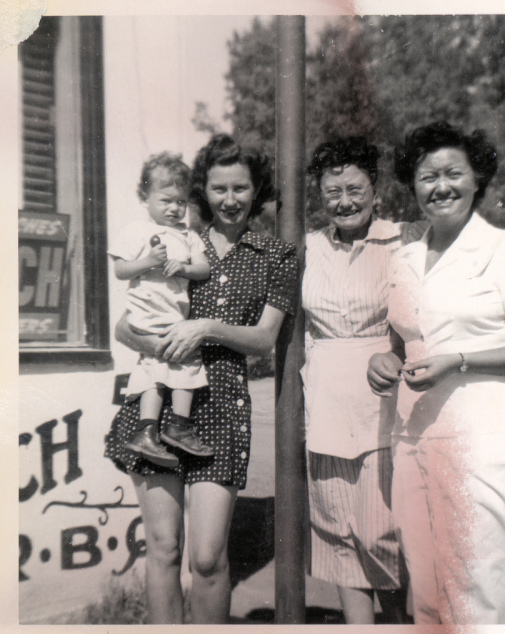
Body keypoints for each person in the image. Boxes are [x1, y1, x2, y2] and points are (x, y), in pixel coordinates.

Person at [303, 136, 505, 624]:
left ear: (376, 190)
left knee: (384, 538)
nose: (345, 201)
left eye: (356, 188)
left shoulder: (407, 236)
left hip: (388, 400)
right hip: (325, 401)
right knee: (337, 534)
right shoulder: (306, 248)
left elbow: (467, 240)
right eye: (333, 192)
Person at [367, 121, 505, 624]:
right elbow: (402, 343)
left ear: (477, 179)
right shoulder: (404, 257)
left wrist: (459, 359)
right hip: (415, 432)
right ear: (412, 185)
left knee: (487, 580)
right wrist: (385, 362)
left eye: (453, 174)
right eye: (427, 177)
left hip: (487, 434)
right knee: (426, 579)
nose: (440, 187)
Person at [104, 134, 299, 624]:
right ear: (202, 192)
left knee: (207, 558)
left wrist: (206, 328)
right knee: (165, 547)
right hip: (158, 399)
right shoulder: (174, 238)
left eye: (240, 188)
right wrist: (150, 343)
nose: (229, 200)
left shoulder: (275, 256)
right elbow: (125, 324)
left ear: (257, 191)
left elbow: (264, 338)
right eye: (218, 189)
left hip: (221, 406)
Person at [108, 153, 213, 467]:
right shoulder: (137, 231)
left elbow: (204, 269)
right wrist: (150, 262)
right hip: (147, 313)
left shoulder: (188, 235)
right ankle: (176, 427)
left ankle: (149, 431)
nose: (174, 209)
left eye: (181, 202)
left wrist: (182, 267)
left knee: (158, 366)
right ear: (145, 197)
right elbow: (121, 270)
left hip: (173, 316)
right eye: (166, 200)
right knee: (182, 360)